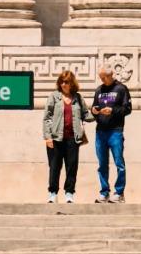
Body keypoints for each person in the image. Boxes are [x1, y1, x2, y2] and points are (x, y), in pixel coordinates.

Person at [43, 68, 89, 206]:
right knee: (55, 167)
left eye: (67, 82)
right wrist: (48, 137)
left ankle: (69, 193)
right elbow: (47, 118)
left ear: (72, 83)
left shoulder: (78, 98)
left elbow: (86, 114)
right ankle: (53, 193)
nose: (64, 84)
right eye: (62, 82)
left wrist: (98, 112)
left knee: (71, 167)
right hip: (56, 139)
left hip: (72, 139)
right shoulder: (54, 97)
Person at [90, 63, 131, 204]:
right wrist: (94, 110)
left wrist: (112, 111)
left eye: (103, 77)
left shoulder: (121, 89)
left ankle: (119, 193)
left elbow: (128, 109)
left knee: (119, 163)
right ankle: (104, 192)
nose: (101, 80)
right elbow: (94, 107)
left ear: (110, 75)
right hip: (100, 131)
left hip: (116, 131)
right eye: (100, 77)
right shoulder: (99, 90)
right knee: (102, 164)